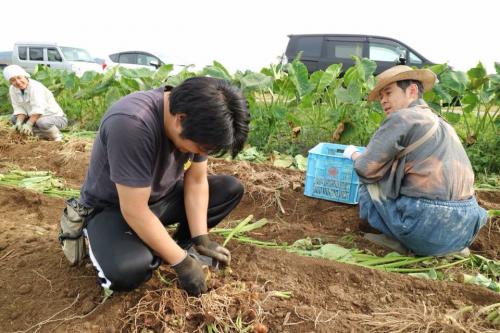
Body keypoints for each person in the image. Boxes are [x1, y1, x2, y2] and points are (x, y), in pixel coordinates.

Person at [60, 77, 249, 296]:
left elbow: (196, 181)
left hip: (158, 199)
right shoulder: (131, 123)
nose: (199, 153)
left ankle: (180, 243)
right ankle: (99, 239)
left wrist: (201, 238)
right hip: (114, 209)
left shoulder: (197, 118)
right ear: (180, 120)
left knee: (229, 188)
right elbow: (134, 209)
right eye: (199, 148)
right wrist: (181, 263)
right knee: (127, 271)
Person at [342, 65, 487, 256]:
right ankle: (447, 247)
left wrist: (353, 153)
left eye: (388, 93)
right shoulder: (442, 122)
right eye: (381, 97)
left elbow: (365, 168)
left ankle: (399, 240)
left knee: (369, 177)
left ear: (411, 91)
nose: (383, 100)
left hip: (424, 226)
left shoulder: (402, 117)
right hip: (467, 227)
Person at [3, 65, 67, 141]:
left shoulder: (35, 87)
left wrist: (29, 124)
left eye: (19, 78)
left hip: (55, 118)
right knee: (14, 119)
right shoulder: (13, 89)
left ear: (25, 76)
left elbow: (38, 110)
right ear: (10, 82)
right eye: (13, 80)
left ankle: (57, 136)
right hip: (35, 118)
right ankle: (40, 134)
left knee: (42, 122)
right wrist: (19, 123)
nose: (18, 82)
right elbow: (19, 108)